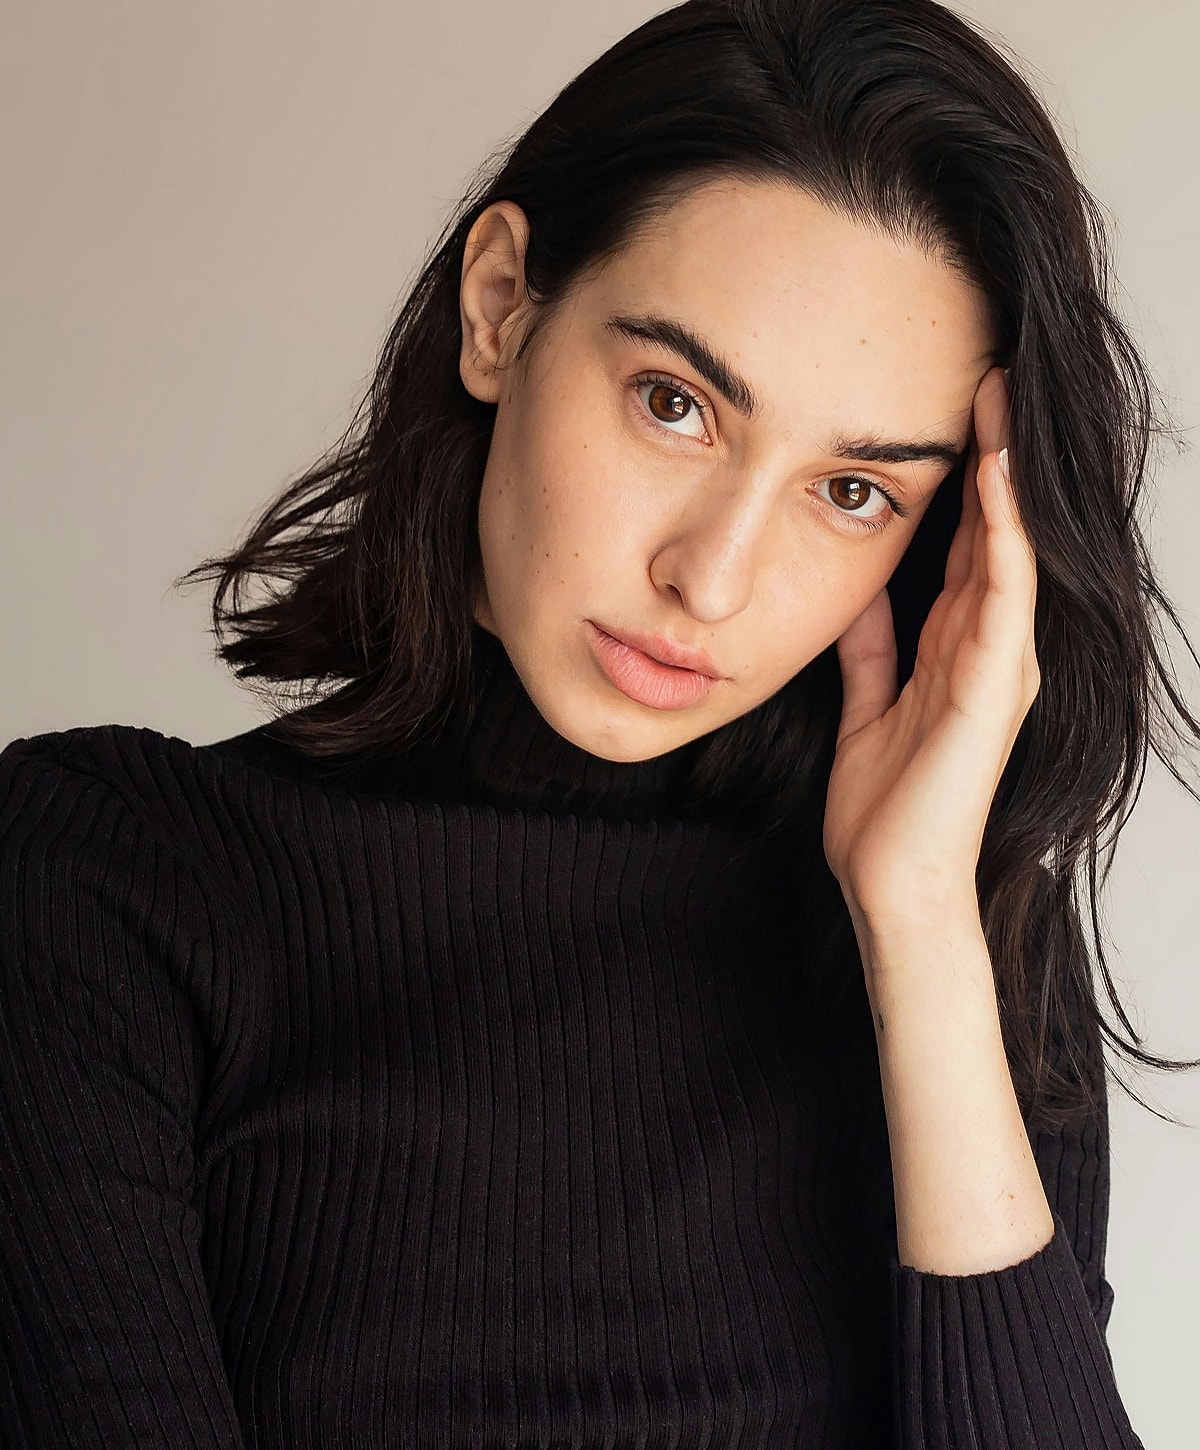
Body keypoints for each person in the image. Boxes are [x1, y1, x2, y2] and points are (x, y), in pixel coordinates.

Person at [1, 0, 1194, 1444]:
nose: (714, 573)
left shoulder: (969, 940)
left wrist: (925, 928)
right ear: (501, 304)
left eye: (855, 489)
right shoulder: (108, 883)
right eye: (675, 402)